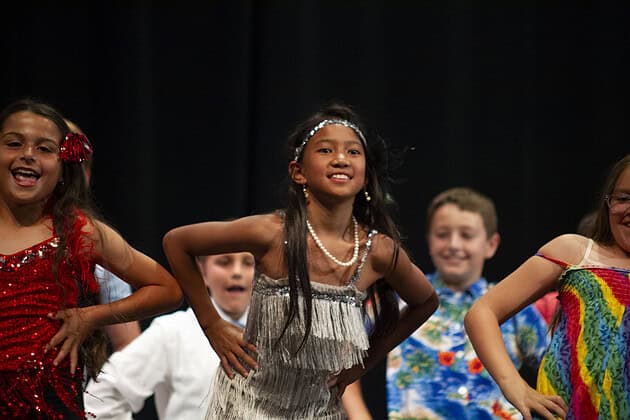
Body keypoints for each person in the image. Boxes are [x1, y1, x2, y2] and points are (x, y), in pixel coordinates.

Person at [162, 102, 439, 419]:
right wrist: (212, 325)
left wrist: (361, 366)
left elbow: (426, 301)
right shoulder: (272, 233)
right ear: (298, 172)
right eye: (325, 150)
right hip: (248, 407)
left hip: (318, 411)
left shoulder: (377, 251)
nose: (340, 159)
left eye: (353, 152)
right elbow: (177, 243)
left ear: (365, 176)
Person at [0, 98, 183, 418]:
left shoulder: (79, 233)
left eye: (44, 149)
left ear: (62, 169)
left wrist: (92, 316)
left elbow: (167, 289)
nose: (28, 153)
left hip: (50, 407)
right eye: (14, 143)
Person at [465, 154, 630, 420]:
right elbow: (482, 312)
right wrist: (515, 387)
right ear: (608, 203)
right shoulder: (577, 252)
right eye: (623, 198)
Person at [387, 187, 549, 419]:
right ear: (429, 239)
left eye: (466, 235)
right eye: (442, 234)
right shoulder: (403, 298)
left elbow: (555, 369)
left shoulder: (515, 306)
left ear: (491, 244)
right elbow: (346, 353)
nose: (453, 244)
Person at [84, 252, 255, 419]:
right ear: (202, 272)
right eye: (224, 262)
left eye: (248, 263)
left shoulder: (277, 332)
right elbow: (108, 389)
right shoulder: (173, 330)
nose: (237, 272)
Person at [65, 117, 142, 351]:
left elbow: (128, 351)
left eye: (76, 166)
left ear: (86, 176)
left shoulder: (93, 240)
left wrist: (91, 316)